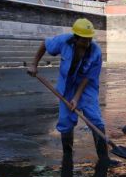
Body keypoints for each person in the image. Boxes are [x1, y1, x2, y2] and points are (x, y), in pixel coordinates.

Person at [27, 18, 110, 163]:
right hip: (67, 86)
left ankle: (104, 158)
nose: (88, 43)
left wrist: (77, 98)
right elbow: (45, 44)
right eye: (84, 40)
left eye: (90, 39)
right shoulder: (63, 41)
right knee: (65, 121)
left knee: (95, 119)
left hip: (87, 88)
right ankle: (67, 156)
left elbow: (87, 78)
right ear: (75, 38)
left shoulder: (95, 52)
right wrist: (34, 65)